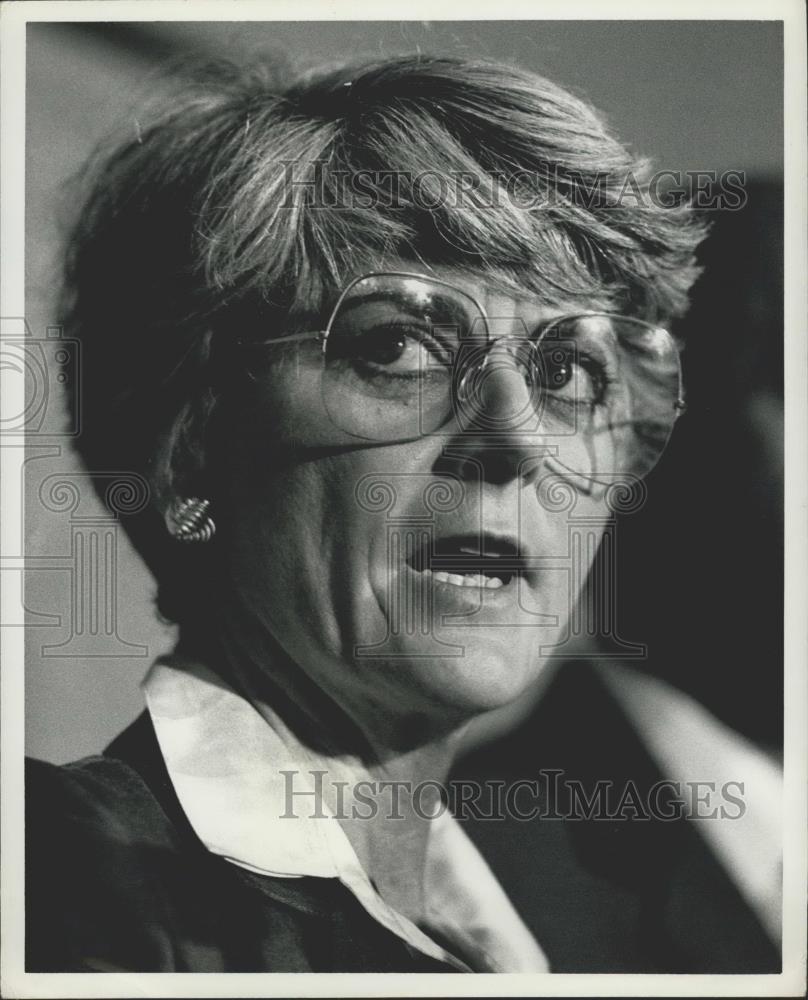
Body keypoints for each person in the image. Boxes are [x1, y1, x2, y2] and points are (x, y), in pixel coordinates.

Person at [26, 52, 767, 974]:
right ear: (189, 448)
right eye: (400, 348)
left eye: (566, 372)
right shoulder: (56, 882)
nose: (516, 440)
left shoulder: (546, 943)